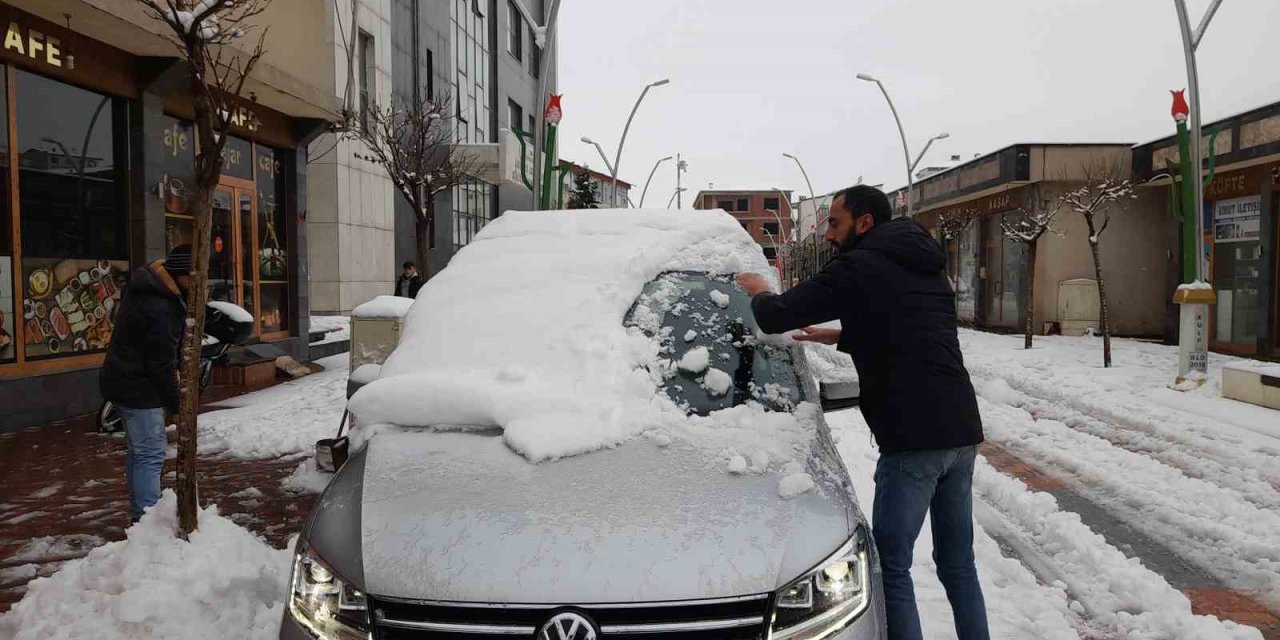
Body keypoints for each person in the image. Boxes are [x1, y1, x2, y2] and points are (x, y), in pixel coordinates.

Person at [736, 185, 988, 640]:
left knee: (892, 567)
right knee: (958, 563)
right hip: (960, 431)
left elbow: (776, 315)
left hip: (912, 439)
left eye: (835, 223)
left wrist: (760, 291)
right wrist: (840, 336)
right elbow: (911, 325)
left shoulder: (860, 264)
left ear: (865, 222)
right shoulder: (923, 261)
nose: (829, 235)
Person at [100, 245, 192, 522]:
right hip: (138, 387)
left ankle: (140, 515)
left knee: (140, 452)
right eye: (196, 278)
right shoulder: (160, 307)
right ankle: (146, 519)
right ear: (183, 274)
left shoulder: (154, 286)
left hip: (123, 380)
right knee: (150, 453)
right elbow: (161, 363)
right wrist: (177, 405)